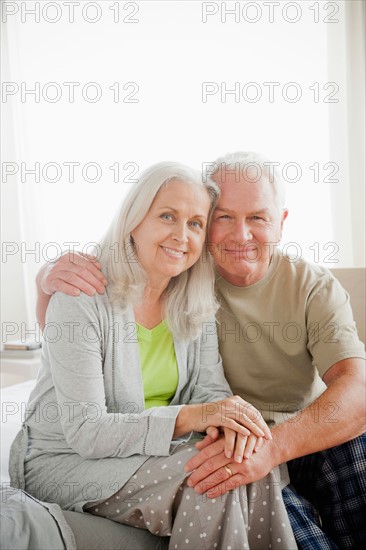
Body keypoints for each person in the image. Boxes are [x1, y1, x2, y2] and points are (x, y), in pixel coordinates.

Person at [37, 152, 366, 549]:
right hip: (216, 442)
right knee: (230, 479)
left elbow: (357, 390)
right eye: (223, 217)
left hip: (282, 437)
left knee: (353, 448)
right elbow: (71, 339)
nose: (240, 236)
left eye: (257, 218)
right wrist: (45, 278)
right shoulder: (183, 279)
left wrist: (263, 443)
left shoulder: (299, 286)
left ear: (280, 223)